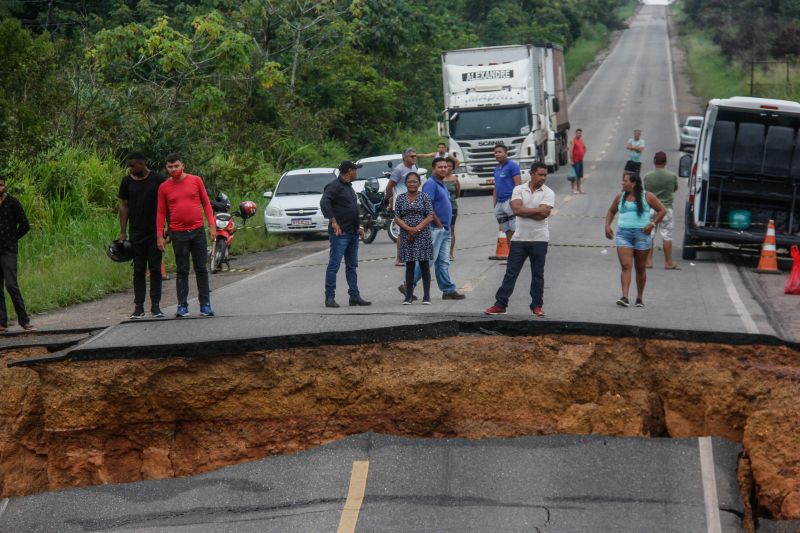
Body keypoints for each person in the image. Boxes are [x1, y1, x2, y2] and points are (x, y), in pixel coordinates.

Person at [484, 163, 555, 318]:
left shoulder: (548, 192)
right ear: (531, 174)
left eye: (545, 175)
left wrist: (525, 211)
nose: (543, 178)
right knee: (511, 273)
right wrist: (536, 210)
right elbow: (516, 210)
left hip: (539, 239)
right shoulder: (518, 189)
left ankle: (537, 305)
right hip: (519, 239)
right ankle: (500, 304)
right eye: (540, 174)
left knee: (538, 274)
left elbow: (543, 215)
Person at [156, 153, 216, 318]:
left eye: (176, 166)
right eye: (170, 167)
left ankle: (205, 304)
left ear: (183, 166)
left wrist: (212, 226)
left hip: (197, 231)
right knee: (182, 270)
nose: (173, 169)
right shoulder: (164, 187)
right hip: (178, 234)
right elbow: (160, 213)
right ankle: (182, 305)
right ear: (166, 168)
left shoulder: (196, 180)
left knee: (201, 268)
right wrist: (159, 235)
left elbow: (206, 204)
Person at [398, 157, 465, 300]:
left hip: (444, 230)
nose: (443, 169)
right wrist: (439, 224)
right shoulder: (430, 184)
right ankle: (407, 285)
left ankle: (448, 290)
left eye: (445, 167)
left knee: (443, 262)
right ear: (433, 169)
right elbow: (428, 207)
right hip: (434, 229)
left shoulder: (441, 183)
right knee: (427, 261)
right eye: (440, 167)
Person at [604, 170, 667, 308]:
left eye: (625, 181)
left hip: (642, 235)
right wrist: (607, 226)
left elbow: (662, 210)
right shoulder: (620, 196)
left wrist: (652, 224)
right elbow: (611, 211)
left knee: (640, 267)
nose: (623, 183)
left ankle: (639, 298)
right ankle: (625, 297)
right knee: (626, 266)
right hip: (623, 235)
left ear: (633, 183)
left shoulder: (647, 196)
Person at [118, 152, 167, 319]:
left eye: (133, 165)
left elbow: (166, 204)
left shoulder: (158, 180)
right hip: (136, 232)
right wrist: (123, 231)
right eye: (129, 165)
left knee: (155, 269)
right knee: (138, 269)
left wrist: (166, 228)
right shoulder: (127, 181)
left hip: (155, 232)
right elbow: (124, 206)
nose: (130, 169)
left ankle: (155, 306)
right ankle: (139, 307)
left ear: (143, 163)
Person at [320, 160, 371, 308]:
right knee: (334, 265)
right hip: (340, 233)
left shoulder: (349, 187)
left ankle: (354, 296)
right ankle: (329, 297)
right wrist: (333, 222)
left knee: (352, 266)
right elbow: (324, 203)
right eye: (355, 170)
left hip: (353, 232)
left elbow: (353, 209)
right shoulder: (333, 186)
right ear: (349, 171)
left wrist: (359, 226)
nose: (357, 172)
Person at [394, 172, 434, 304]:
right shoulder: (400, 198)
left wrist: (416, 229)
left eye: (414, 182)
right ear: (405, 184)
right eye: (409, 182)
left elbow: (430, 216)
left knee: (424, 265)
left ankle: (426, 296)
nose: (412, 184)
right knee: (409, 266)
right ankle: (408, 297)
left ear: (419, 183)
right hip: (406, 235)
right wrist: (409, 229)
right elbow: (397, 217)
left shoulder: (424, 197)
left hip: (422, 235)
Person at [0, 174, 34, 332]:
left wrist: (13, 238)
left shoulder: (12, 203)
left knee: (11, 285)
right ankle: (2, 323)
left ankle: (24, 320)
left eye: (1, 185)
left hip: (8, 250)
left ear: (4, 186)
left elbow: (25, 225)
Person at [643, 151, 681, 270]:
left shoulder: (648, 176)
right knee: (667, 236)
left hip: (651, 209)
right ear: (665, 162)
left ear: (654, 161)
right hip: (666, 209)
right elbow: (674, 189)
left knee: (649, 235)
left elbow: (646, 192)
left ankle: (648, 262)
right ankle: (668, 263)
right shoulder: (672, 176)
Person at [385, 148, 419, 266]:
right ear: (405, 158)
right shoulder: (398, 169)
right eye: (412, 156)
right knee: (402, 232)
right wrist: (391, 200)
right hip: (401, 204)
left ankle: (412, 255)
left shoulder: (414, 168)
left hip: (413, 202)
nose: (414, 158)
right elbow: (389, 187)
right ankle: (399, 258)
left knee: (414, 229)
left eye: (415, 156)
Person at [493, 144, 522, 241]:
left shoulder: (512, 165)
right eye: (495, 152)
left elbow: (518, 185)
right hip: (500, 204)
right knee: (506, 231)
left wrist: (514, 202)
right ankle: (511, 255)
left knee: (515, 231)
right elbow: (496, 186)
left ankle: (518, 254)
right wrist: (495, 204)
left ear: (506, 153)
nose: (497, 154)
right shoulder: (496, 168)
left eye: (500, 152)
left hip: (510, 201)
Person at [444, 157, 461, 261]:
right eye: (446, 166)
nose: (448, 168)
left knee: (451, 230)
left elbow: (458, 194)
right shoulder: (439, 179)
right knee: (441, 230)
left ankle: (450, 253)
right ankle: (442, 252)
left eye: (450, 166)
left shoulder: (455, 179)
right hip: (441, 209)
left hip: (453, 207)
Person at [568, 128, 586, 194]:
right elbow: (570, 151)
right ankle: (573, 189)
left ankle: (579, 189)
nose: (579, 134)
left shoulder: (581, 140)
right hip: (575, 161)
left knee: (579, 176)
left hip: (580, 160)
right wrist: (571, 160)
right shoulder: (573, 141)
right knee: (574, 175)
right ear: (575, 133)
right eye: (578, 133)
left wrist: (583, 154)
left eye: (580, 133)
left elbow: (584, 147)